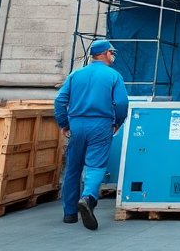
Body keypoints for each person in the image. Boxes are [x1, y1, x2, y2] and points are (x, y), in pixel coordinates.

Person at [55, 38, 129, 230]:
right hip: (101, 124)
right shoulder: (114, 76)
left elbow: (59, 100)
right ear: (104, 53)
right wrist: (117, 123)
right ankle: (88, 198)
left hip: (77, 124)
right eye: (112, 53)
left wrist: (64, 123)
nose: (113, 56)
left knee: (73, 168)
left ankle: (69, 214)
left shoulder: (75, 74)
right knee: (96, 165)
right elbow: (121, 104)